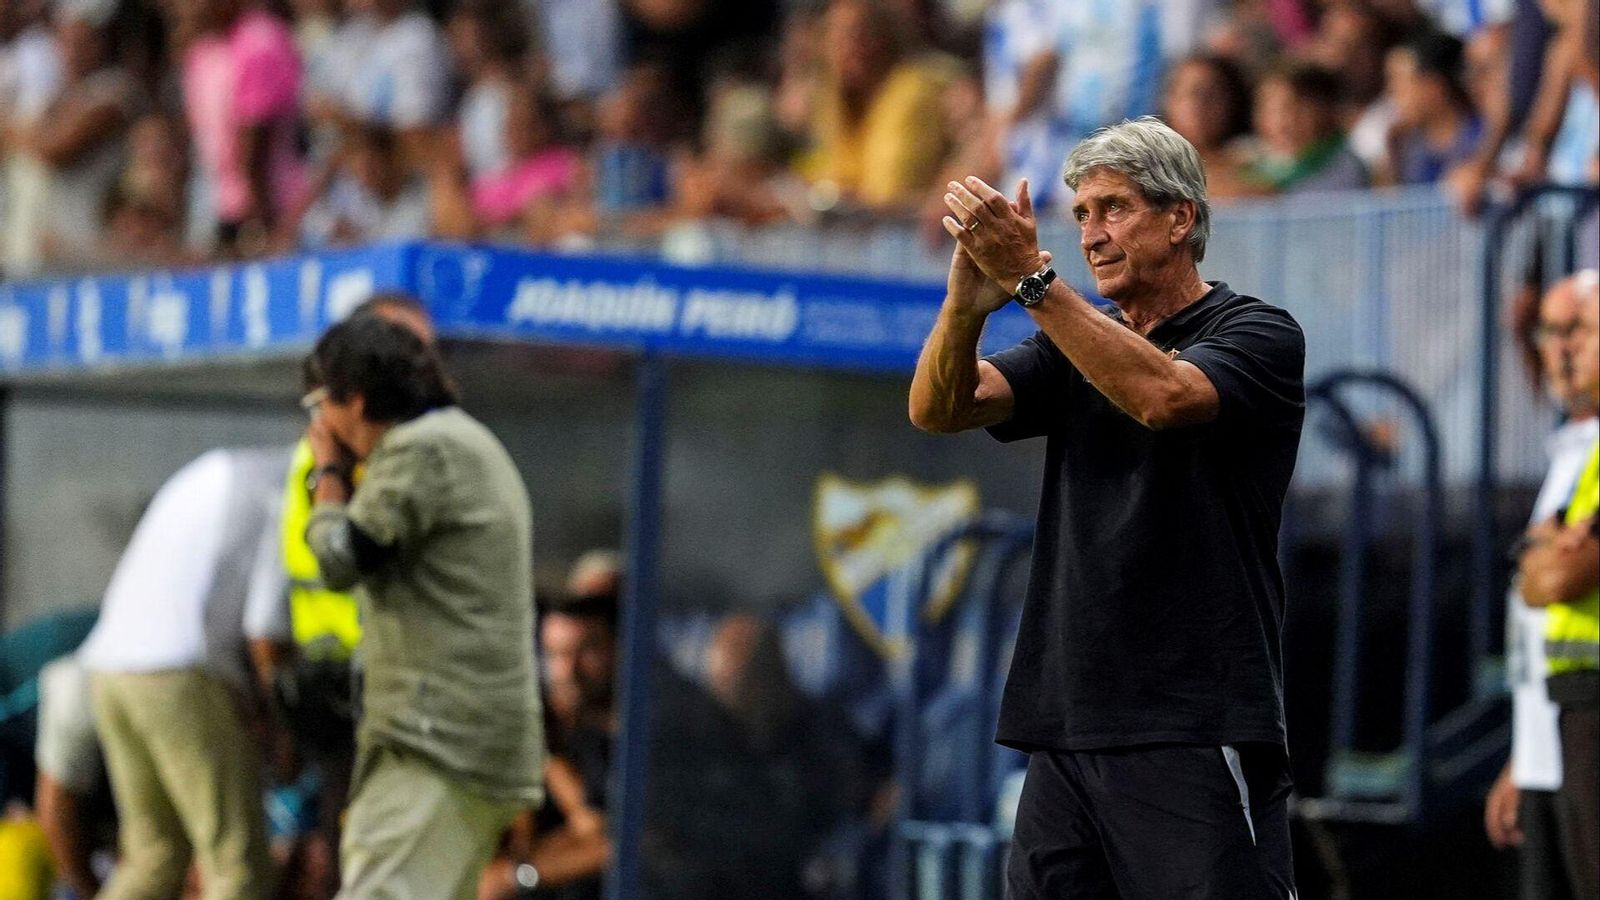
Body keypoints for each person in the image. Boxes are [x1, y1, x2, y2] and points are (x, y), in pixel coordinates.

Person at [909, 117, 1304, 898]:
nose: (1092, 233)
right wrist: (964, 306)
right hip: (1066, 720)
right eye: (1082, 213)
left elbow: (1162, 395)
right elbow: (940, 408)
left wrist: (1032, 284)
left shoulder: (1256, 331)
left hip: (1192, 720)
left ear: (1181, 218)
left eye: (1115, 208)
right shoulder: (1073, 341)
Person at [302, 314, 543, 899]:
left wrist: (330, 475)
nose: (315, 423)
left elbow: (341, 558)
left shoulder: (421, 450)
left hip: (435, 745)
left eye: (318, 403)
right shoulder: (464, 439)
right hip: (468, 742)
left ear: (354, 401)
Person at [79, 446, 293, 900]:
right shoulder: (291, 489)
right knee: (237, 866)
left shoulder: (228, 467)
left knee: (153, 857)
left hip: (110, 667)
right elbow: (265, 632)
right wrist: (276, 724)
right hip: (178, 673)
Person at [1488, 271, 1599, 900]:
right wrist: (1521, 758)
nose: (1556, 349)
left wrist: (1539, 558)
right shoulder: (1569, 452)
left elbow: (1554, 579)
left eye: (1574, 331)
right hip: (1551, 748)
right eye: (1547, 331)